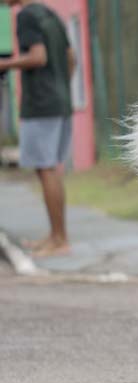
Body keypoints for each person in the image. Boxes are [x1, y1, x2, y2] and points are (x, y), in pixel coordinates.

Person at [0, 0, 74, 257]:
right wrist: (62, 88)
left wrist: (4, 65)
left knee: (46, 169)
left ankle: (60, 240)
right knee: (50, 168)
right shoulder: (50, 14)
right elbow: (71, 57)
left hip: (41, 104)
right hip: (60, 101)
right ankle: (55, 236)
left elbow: (37, 56)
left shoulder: (26, 16)